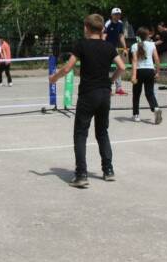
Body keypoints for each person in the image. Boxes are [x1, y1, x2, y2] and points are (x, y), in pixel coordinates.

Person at [50, 14, 126, 188]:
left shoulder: (81, 45)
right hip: (104, 95)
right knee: (102, 132)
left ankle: (81, 174)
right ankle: (108, 171)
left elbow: (68, 67)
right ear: (101, 29)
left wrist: (54, 78)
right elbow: (122, 67)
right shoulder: (108, 46)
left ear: (86, 27)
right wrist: (110, 81)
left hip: (88, 94)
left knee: (81, 133)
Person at [129, 27, 162, 124]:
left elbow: (134, 61)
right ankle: (155, 108)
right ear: (147, 35)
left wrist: (134, 75)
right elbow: (157, 59)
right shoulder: (152, 44)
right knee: (150, 93)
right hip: (150, 70)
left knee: (136, 94)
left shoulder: (134, 45)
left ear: (137, 36)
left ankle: (136, 115)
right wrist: (158, 72)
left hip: (139, 71)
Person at [104, 8, 128, 95]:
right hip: (106, 48)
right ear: (112, 15)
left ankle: (118, 88)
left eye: (119, 14)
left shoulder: (120, 23)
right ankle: (106, 88)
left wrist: (125, 48)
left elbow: (121, 36)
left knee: (121, 67)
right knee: (105, 68)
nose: (118, 16)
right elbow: (103, 36)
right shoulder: (108, 24)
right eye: (116, 14)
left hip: (114, 48)